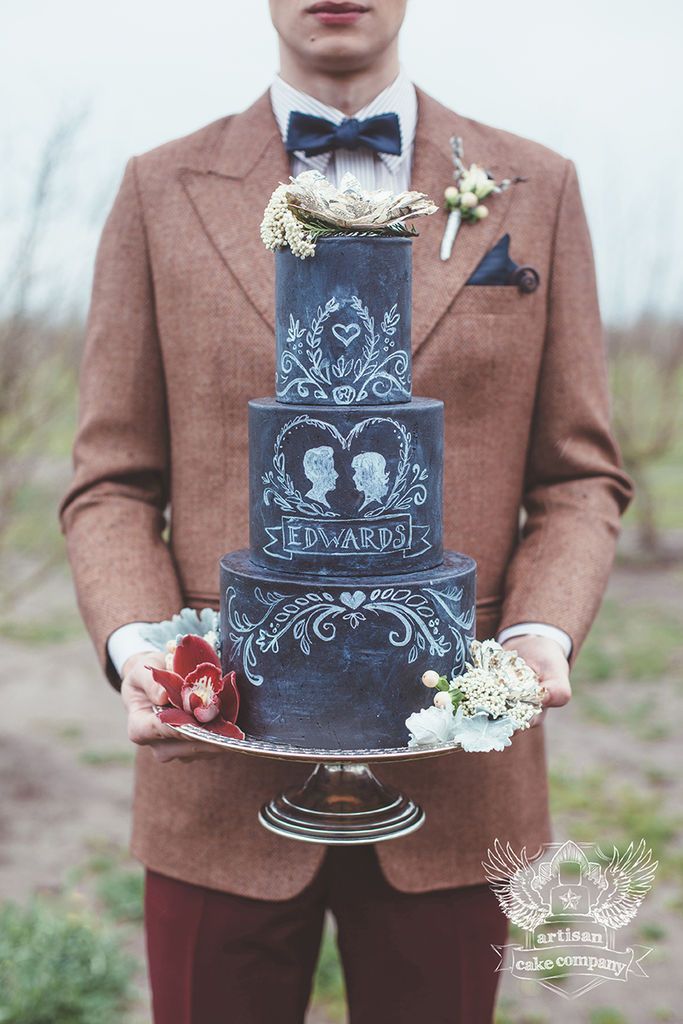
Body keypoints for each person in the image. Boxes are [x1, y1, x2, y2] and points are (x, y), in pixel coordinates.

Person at [58, 1, 633, 1021]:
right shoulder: (158, 187)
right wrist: (149, 646)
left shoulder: (534, 185)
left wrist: (537, 637)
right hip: (216, 765)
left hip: (459, 775)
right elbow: (112, 476)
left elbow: (576, 476)